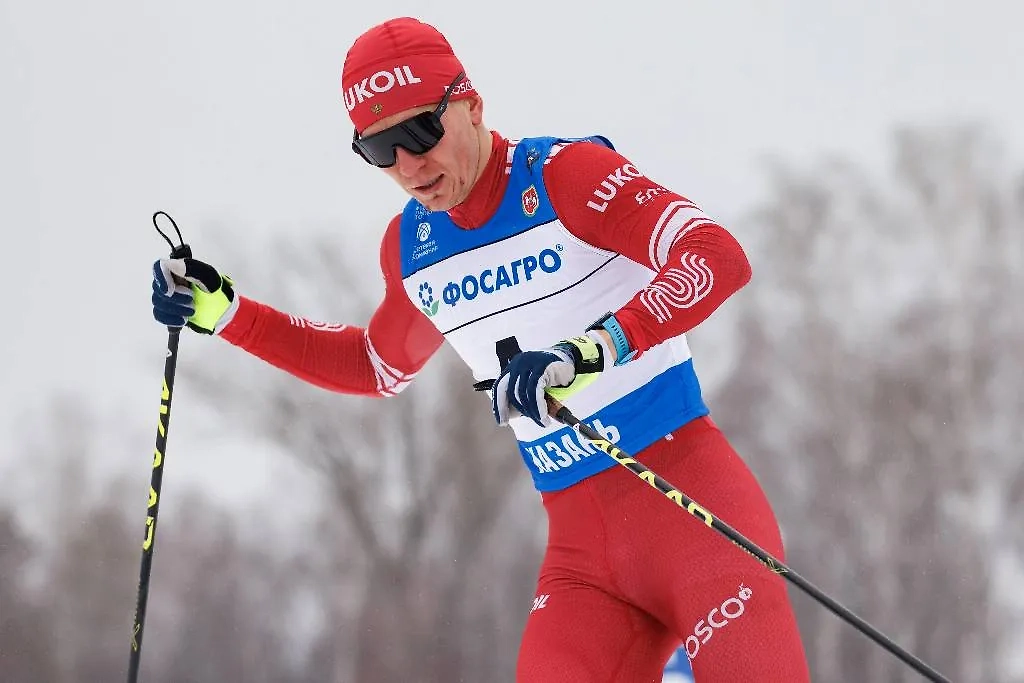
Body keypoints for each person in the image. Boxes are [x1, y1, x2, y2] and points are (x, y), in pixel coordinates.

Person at [151, 16, 810, 682]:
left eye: (420, 132)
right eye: (380, 149)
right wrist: (228, 315)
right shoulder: (414, 249)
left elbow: (715, 254)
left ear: (471, 107)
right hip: (583, 558)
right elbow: (374, 366)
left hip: (695, 510)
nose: (409, 166)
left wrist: (595, 348)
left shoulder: (568, 176)